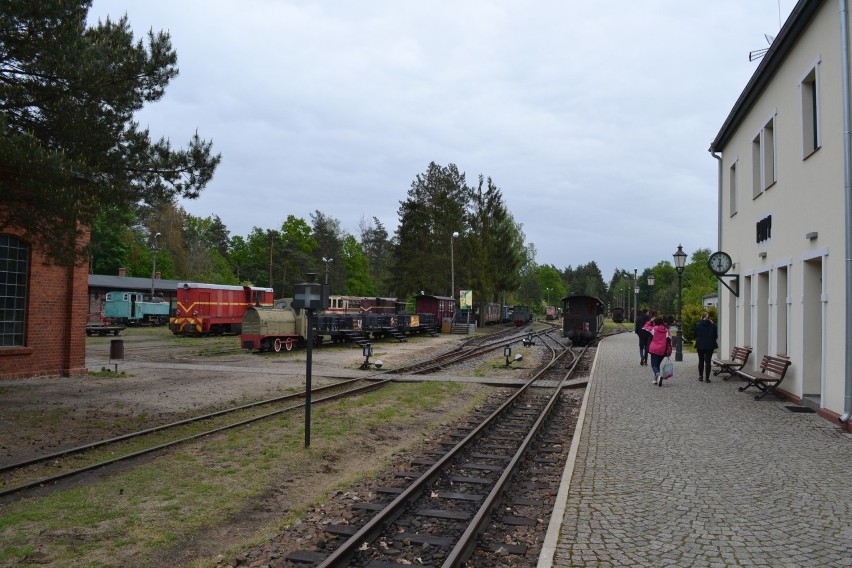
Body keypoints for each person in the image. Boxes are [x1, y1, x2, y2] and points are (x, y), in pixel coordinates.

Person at [644, 316, 671, 386]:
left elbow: (645, 327)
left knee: (653, 365)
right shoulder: (667, 330)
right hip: (662, 350)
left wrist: (650, 321)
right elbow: (669, 340)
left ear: (655, 322)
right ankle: (656, 380)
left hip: (654, 349)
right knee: (657, 364)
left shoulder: (654, 329)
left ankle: (658, 375)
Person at [694, 312, 718, 382]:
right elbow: (716, 336)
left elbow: (695, 335)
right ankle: (707, 378)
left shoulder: (698, 325)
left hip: (700, 345)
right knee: (708, 361)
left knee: (701, 360)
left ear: (701, 317)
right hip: (710, 345)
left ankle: (701, 376)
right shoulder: (713, 325)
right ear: (709, 318)